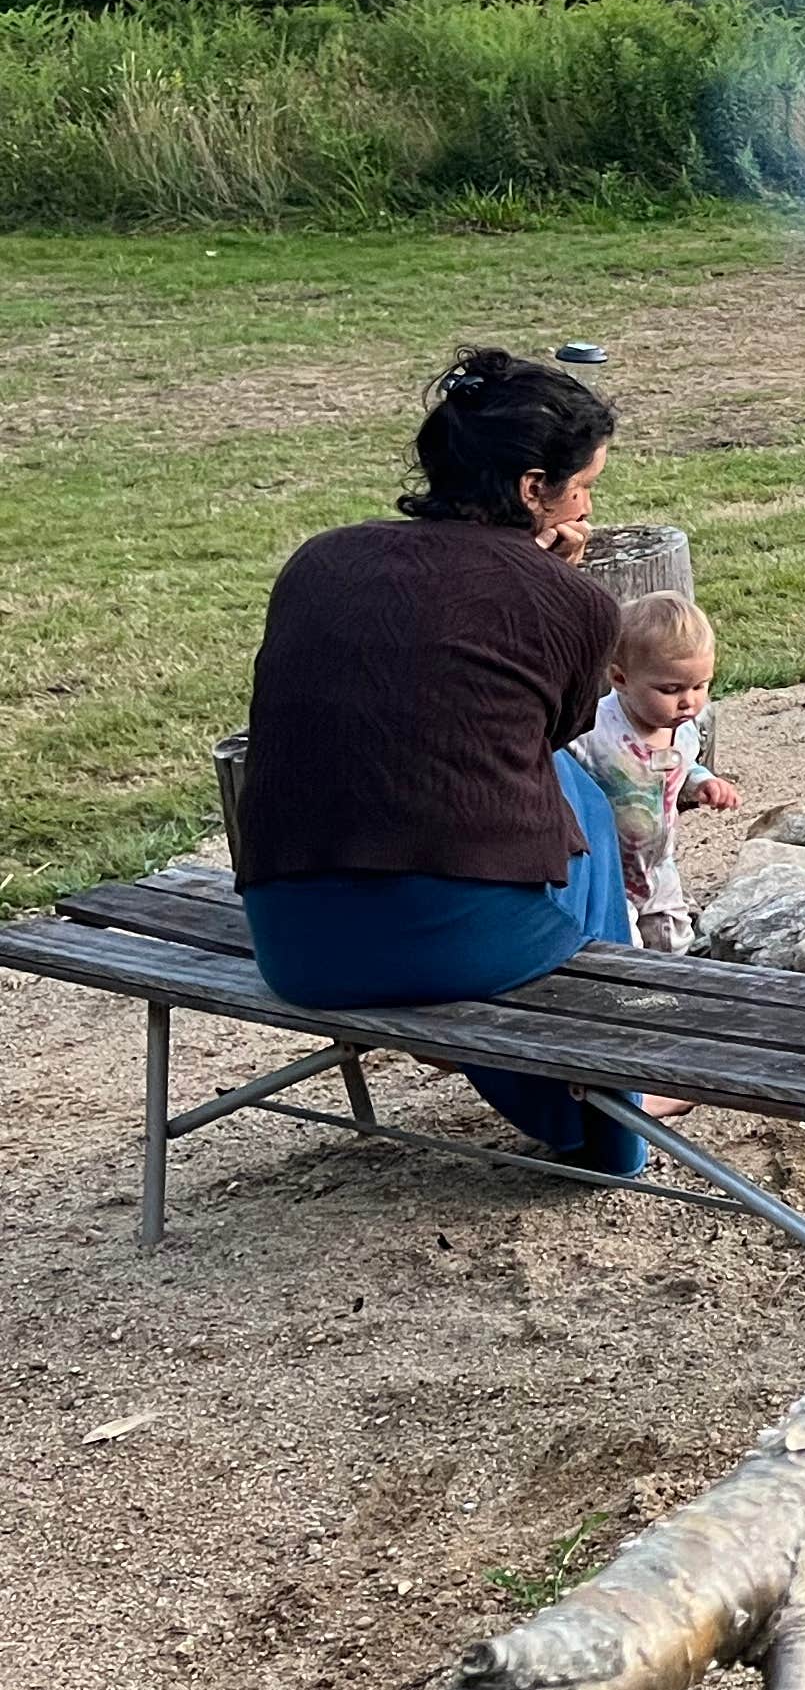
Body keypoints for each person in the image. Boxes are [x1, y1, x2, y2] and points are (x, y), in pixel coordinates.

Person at [236, 349, 649, 1175]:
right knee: (581, 801)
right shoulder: (574, 599)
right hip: (448, 946)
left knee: (483, 812)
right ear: (534, 490)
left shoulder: (320, 559)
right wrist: (553, 580)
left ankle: (582, 1108)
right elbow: (553, 732)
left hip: (294, 944)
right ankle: (614, 1125)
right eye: (584, 484)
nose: (590, 504)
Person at [572, 591, 741, 951]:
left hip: (659, 862)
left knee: (673, 937)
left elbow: (684, 764)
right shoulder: (594, 728)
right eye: (671, 689)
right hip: (610, 869)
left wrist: (702, 781)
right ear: (620, 679)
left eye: (701, 685)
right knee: (624, 946)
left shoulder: (685, 727)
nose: (689, 701)